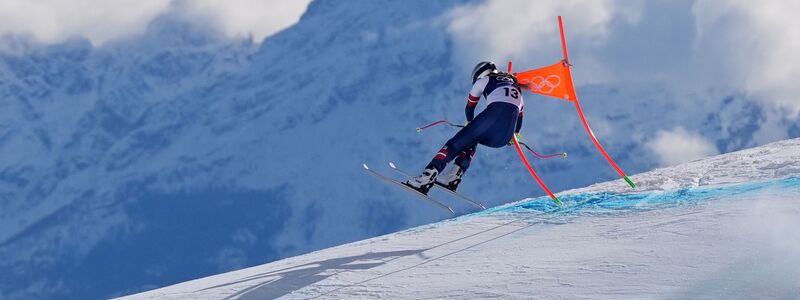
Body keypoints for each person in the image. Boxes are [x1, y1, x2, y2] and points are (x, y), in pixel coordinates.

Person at [406, 61, 524, 193]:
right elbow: (519, 117)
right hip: (503, 138)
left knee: (453, 145)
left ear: (480, 74)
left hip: (491, 118)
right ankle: (453, 176)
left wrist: (470, 123)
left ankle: (426, 178)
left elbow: (470, 107)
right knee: (472, 139)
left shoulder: (485, 80)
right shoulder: (516, 87)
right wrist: (515, 136)